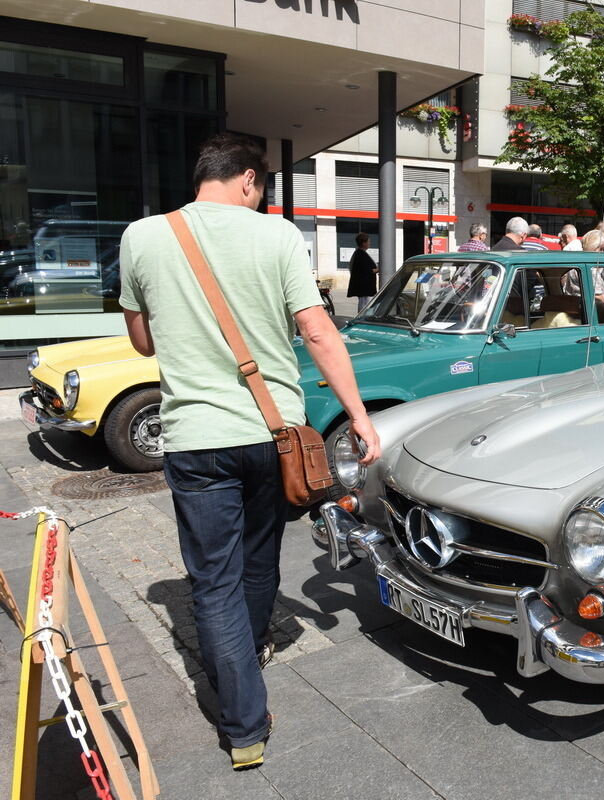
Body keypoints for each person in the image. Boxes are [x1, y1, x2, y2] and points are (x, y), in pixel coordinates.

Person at [118, 133, 381, 769]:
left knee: (213, 581)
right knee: (261, 557)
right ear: (248, 180)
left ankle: (243, 728)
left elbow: (143, 342)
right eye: (260, 189)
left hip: (196, 437)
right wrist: (358, 415)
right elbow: (317, 330)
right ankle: (254, 643)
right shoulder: (280, 236)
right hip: (274, 433)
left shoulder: (142, 236)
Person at [346, 232, 378, 312]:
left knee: (365, 305)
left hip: (365, 287)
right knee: (364, 307)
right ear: (363, 243)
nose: (369, 243)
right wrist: (378, 270)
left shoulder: (360, 253)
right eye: (368, 241)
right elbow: (366, 270)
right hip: (364, 288)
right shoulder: (360, 254)